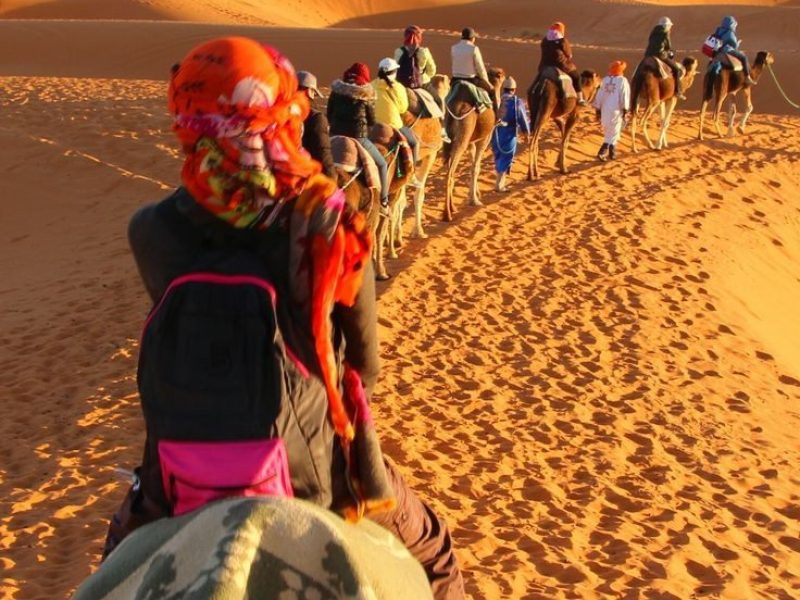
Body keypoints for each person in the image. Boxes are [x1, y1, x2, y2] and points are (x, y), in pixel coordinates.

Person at [103, 37, 465, 600]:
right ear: (282, 111)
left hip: (175, 469)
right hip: (313, 467)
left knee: (117, 567)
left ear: (187, 117)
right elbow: (364, 368)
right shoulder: (325, 219)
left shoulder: (149, 229)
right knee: (436, 557)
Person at [327, 62, 390, 208]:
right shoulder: (366, 94)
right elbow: (372, 120)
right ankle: (384, 200)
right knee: (382, 164)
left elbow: (329, 114)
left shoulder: (336, 91)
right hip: (358, 137)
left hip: (335, 134)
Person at [372, 57, 422, 187]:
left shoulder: (372, 85)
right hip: (393, 125)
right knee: (414, 142)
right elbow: (403, 108)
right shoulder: (398, 87)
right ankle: (412, 175)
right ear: (393, 72)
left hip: (374, 125)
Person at [491, 77, 530, 192]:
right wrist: (526, 132)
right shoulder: (516, 101)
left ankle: (499, 182)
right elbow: (522, 117)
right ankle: (499, 184)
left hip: (495, 133)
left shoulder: (497, 100)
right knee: (506, 157)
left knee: (498, 156)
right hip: (509, 133)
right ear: (514, 89)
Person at [297, 70, 336, 179]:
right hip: (305, 176)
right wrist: (332, 179)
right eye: (314, 92)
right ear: (308, 91)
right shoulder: (316, 118)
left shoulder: (279, 112)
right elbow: (323, 151)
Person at [538, 22, 586, 105]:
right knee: (576, 77)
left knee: (539, 78)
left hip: (544, 66)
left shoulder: (544, 40)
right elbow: (569, 55)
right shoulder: (563, 41)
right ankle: (580, 99)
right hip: (561, 66)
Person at [451, 27, 497, 110]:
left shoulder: (454, 48)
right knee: (492, 91)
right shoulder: (474, 48)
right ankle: (496, 117)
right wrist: (487, 81)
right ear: (472, 38)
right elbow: (480, 68)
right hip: (471, 80)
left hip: (455, 80)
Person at [593, 60, 631, 161]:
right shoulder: (622, 81)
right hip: (616, 109)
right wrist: (625, 109)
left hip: (604, 110)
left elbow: (599, 95)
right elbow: (624, 96)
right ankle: (602, 151)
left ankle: (612, 152)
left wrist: (598, 108)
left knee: (609, 131)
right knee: (614, 131)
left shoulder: (605, 80)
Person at [644, 17, 686, 101]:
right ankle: (678, 92)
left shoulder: (653, 31)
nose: (670, 27)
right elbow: (668, 47)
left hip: (648, 55)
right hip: (660, 55)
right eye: (669, 26)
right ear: (666, 26)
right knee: (677, 70)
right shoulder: (666, 33)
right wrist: (670, 52)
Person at [712, 15, 757, 86]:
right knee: (744, 58)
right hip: (727, 50)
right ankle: (747, 77)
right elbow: (734, 46)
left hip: (717, 51)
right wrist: (738, 43)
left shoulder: (719, 30)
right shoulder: (730, 33)